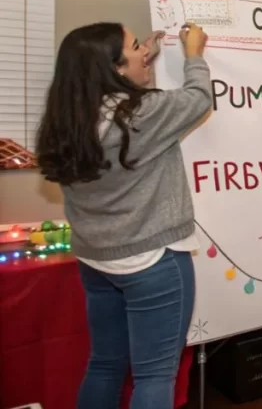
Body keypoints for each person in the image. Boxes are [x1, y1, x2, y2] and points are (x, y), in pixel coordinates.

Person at [36, 21, 211, 409]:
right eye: (137, 47)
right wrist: (194, 54)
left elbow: (128, 115)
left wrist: (140, 65)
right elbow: (198, 98)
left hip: (96, 259)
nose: (145, 52)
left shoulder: (68, 118)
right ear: (114, 68)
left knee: (105, 365)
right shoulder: (140, 115)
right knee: (154, 375)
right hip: (151, 260)